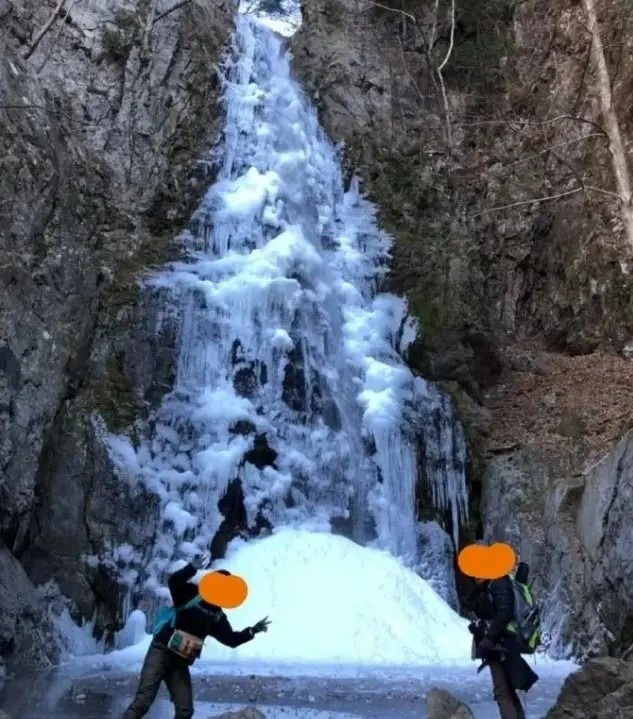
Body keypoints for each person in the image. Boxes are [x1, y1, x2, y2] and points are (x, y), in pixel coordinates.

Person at [122, 551, 271, 719]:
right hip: (161, 650)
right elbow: (174, 581)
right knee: (143, 701)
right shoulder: (190, 594)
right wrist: (192, 568)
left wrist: (252, 630)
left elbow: (231, 640)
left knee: (185, 710)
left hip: (180, 662)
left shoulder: (217, 617)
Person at [465, 573, 539, 719]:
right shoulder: (492, 582)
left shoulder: (499, 581)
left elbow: (505, 612)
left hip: (502, 642)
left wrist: (490, 635)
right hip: (499, 642)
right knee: (507, 690)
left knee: (502, 691)